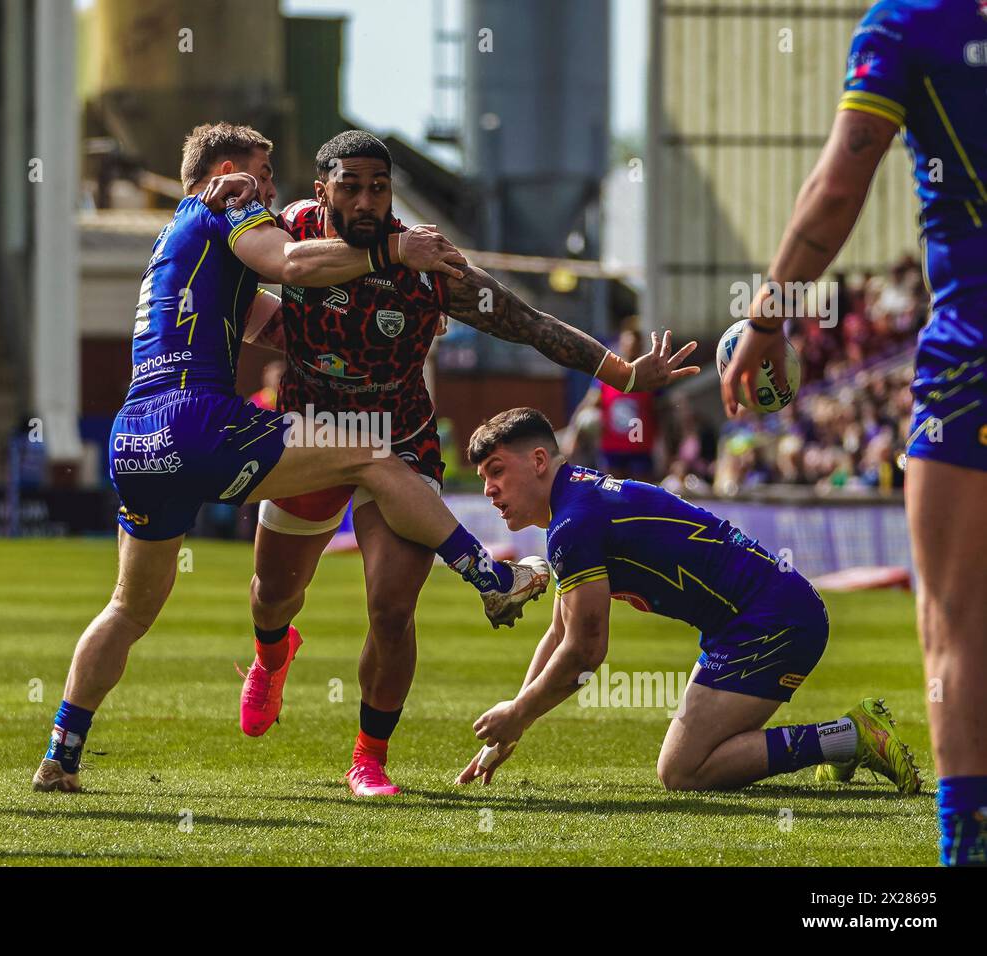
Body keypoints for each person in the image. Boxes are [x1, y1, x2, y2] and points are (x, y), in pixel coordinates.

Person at [31, 123, 551, 792]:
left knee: (129, 609)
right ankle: (490, 578)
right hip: (197, 422)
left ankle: (60, 755)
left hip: (135, 436)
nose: (270, 195)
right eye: (262, 177)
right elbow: (296, 264)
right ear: (225, 171)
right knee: (373, 456)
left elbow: (260, 315)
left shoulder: (174, 237)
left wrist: (350, 324)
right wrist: (394, 253)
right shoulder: (228, 206)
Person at [237, 130, 700, 796]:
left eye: (379, 187)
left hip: (399, 444)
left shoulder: (425, 263)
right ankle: (271, 656)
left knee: (392, 609)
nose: (367, 200)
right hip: (312, 436)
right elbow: (227, 290)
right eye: (350, 187)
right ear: (321, 192)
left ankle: (369, 758)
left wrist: (622, 373)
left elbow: (526, 321)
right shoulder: (288, 239)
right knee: (273, 594)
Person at [718, 0, 987, 865]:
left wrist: (768, 315)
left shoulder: (910, 21)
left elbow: (837, 189)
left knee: (956, 618)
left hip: (973, 351)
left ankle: (965, 846)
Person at [455, 408, 920, 797]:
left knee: (683, 772)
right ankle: (841, 744)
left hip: (772, 621)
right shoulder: (574, 504)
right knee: (686, 763)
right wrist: (513, 723)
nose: (488, 490)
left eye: (496, 470)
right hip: (753, 619)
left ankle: (849, 737)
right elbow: (559, 632)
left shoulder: (572, 524)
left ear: (538, 460)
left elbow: (584, 652)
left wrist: (518, 714)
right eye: (483, 478)